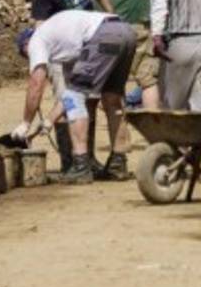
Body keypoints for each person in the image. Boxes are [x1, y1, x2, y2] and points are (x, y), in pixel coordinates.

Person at [13, 9, 137, 183]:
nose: (30, 58)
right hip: (126, 31)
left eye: (26, 56)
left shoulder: (36, 40)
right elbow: (70, 92)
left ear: (25, 46)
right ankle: (118, 164)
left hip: (103, 35)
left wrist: (26, 123)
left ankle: (81, 166)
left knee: (75, 99)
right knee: (112, 100)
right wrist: (48, 122)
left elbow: (37, 83)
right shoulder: (63, 43)